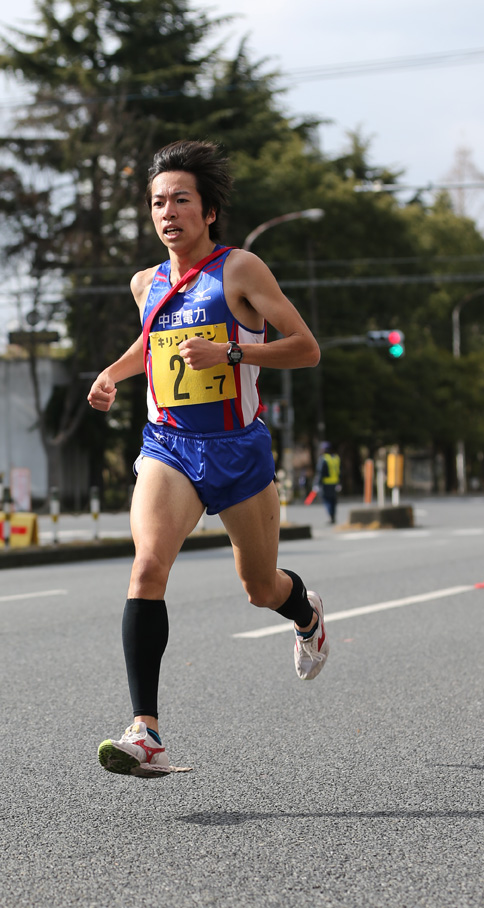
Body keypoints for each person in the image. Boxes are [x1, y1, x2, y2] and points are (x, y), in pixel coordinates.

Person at [87, 139, 329, 779]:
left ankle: (303, 610)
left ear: (208, 210)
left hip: (238, 449)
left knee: (258, 588)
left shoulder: (240, 271)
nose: (168, 213)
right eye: (158, 202)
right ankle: (146, 731)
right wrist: (113, 374)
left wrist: (232, 355)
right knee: (146, 567)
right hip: (168, 442)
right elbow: (152, 346)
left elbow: (305, 349)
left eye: (181, 200)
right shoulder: (147, 283)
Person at [315, 442, 341, 524]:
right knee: (333, 501)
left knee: (327, 500)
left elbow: (320, 472)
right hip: (335, 483)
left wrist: (317, 484)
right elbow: (340, 471)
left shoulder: (324, 459)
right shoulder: (336, 458)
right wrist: (340, 483)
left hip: (326, 483)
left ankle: (331, 517)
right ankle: (333, 516)